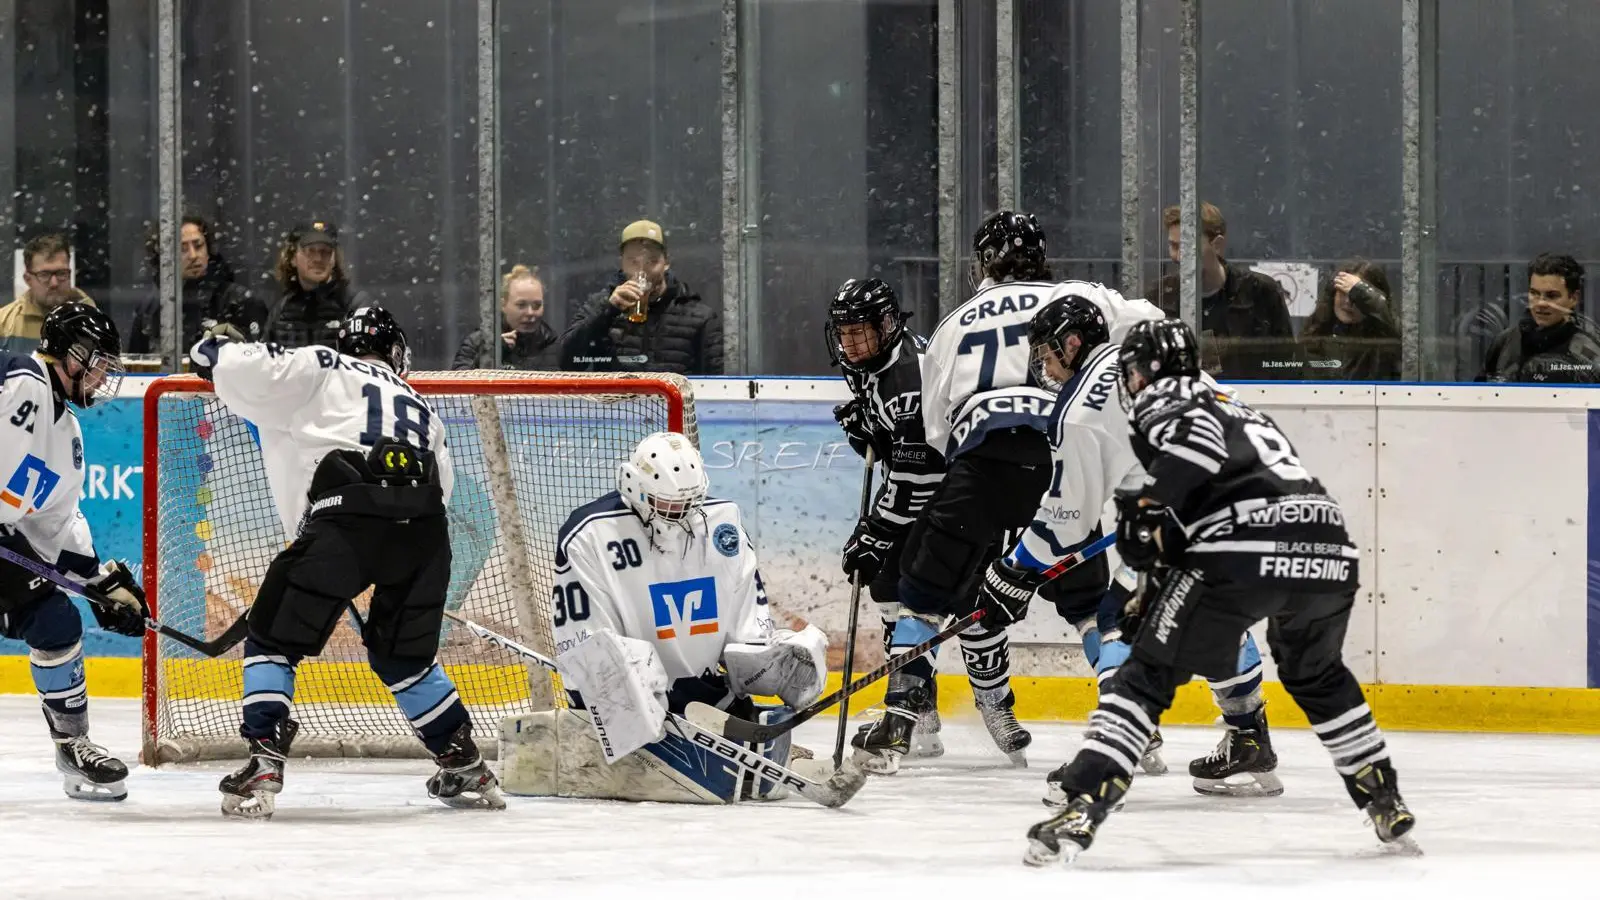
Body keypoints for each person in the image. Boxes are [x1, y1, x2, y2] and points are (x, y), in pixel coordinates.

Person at [1023, 318, 1414, 867]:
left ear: (1143, 372)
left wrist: (1150, 506)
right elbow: (1223, 494)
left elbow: (1196, 458)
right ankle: (1382, 795)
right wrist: (1156, 571)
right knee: (1317, 676)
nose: (1129, 384)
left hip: (1245, 549)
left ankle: (1084, 803)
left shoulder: (1167, 397)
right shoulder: (1238, 405)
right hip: (1328, 551)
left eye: (1131, 373)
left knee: (1145, 676)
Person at [852, 210, 1162, 774]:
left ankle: (900, 720)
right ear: (1042, 256)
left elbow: (936, 428)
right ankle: (1132, 723)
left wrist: (976, 490)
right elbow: (1153, 324)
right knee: (1091, 607)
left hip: (982, 464)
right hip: (1059, 452)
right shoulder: (1079, 296)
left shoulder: (954, 322)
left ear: (980, 264)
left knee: (921, 590)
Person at [187, 306, 502, 819]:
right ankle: (464, 761)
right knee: (405, 659)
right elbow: (439, 493)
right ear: (397, 352)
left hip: (346, 522)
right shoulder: (421, 405)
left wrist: (211, 349)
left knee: (272, 638)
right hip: (424, 535)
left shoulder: (323, 362)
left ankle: (265, 758)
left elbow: (235, 363)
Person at [973, 295, 1282, 795]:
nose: (1046, 368)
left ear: (1073, 344)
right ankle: (1250, 740)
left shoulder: (1078, 409)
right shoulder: (1146, 357)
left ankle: (1108, 757)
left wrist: (1011, 570)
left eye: (1049, 355)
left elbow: (1065, 523)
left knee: (1118, 623)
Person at [496, 432, 827, 804]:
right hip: (633, 706)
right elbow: (585, 643)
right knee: (620, 666)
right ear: (632, 486)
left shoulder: (722, 523)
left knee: (795, 658)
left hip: (705, 700)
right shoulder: (590, 533)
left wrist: (767, 663)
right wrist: (618, 694)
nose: (680, 515)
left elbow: (747, 617)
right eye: (667, 503)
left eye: (689, 503)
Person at [0, 302, 147, 800]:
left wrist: (101, 583)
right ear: (74, 355)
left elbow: (54, 525)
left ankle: (73, 746)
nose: (105, 375)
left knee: (55, 619)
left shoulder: (66, 433)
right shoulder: (24, 381)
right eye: (101, 362)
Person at [825, 278, 958, 766]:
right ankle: (920, 714)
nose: (851, 343)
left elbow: (919, 470)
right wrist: (869, 432)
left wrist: (875, 531)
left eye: (861, 332)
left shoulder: (906, 376)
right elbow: (891, 445)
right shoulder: (870, 364)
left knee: (913, 601)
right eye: (845, 333)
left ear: (886, 326)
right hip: (916, 493)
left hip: (943, 500)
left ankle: (906, 718)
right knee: (885, 589)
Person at [1148, 203, 1296, 379]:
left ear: (1217, 244)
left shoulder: (1261, 293)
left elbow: (1288, 365)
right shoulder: (1159, 297)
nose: (1179, 256)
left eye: (1188, 248)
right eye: (1173, 246)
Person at [560, 220, 723, 375]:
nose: (642, 270)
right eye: (633, 261)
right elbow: (567, 363)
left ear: (666, 262)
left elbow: (714, 385)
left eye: (652, 261)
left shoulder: (697, 316)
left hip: (672, 404)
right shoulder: (601, 304)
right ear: (622, 263)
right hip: (615, 404)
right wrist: (608, 311)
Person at [128, 215, 268, 357]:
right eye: (183, 249)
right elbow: (134, 370)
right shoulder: (149, 309)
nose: (193, 255)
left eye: (198, 245)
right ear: (164, 258)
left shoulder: (241, 302)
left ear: (208, 250)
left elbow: (259, 364)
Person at [1478, 253, 1600, 383]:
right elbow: (1480, 396)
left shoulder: (1592, 350)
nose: (1541, 303)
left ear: (1573, 298)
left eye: (1552, 295)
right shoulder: (1506, 342)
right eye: (1534, 293)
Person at [264, 220, 371, 350]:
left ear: (334, 259)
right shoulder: (280, 310)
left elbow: (366, 362)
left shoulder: (354, 304)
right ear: (292, 258)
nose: (318, 259)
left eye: (325, 252)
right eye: (310, 251)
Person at [1299, 259, 1400, 380]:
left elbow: (1407, 344)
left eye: (1357, 297)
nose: (1348, 302)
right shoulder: (1313, 337)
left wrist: (1367, 294)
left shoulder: (1385, 341)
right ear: (1333, 294)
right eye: (1342, 292)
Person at [0, 234, 96, 355]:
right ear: (28, 279)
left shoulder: (93, 322)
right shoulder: (4, 326)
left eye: (61, 273)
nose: (54, 283)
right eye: (44, 274)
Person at [452, 264, 562, 370]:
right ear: (503, 305)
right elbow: (458, 385)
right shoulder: (478, 342)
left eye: (536, 305)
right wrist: (491, 355)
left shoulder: (553, 345)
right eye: (521, 305)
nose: (530, 312)